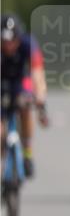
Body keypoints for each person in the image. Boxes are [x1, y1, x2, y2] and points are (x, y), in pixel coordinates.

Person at [1, 14, 48, 177]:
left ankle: (27, 152)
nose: (8, 45)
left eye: (12, 40)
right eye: (4, 41)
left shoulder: (29, 44)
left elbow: (37, 73)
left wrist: (40, 100)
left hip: (21, 82)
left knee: (26, 106)